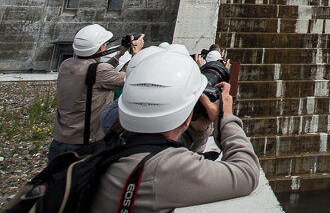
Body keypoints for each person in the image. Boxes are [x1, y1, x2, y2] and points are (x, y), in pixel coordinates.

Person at [89, 50, 260, 212]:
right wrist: (226, 116)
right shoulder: (163, 170)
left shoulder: (107, 149)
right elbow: (247, 173)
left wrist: (197, 131)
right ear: (186, 117)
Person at [49, 24, 144, 161]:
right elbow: (135, 79)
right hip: (83, 144)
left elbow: (95, 71)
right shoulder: (100, 72)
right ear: (100, 48)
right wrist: (136, 54)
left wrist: (121, 52)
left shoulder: (66, 65)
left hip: (59, 140)